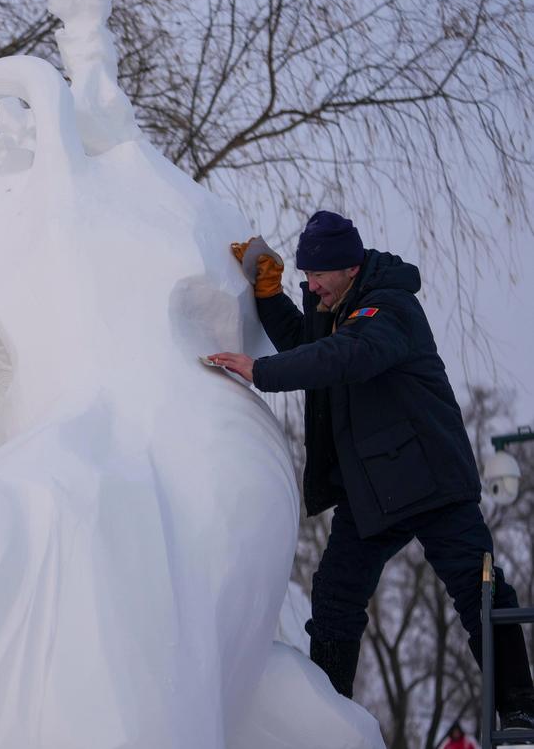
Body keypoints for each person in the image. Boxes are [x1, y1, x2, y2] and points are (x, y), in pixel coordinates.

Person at [207, 210, 534, 729]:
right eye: (305, 275)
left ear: (350, 268)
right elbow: (307, 345)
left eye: (318, 274)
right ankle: (328, 718)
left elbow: (345, 356)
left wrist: (260, 371)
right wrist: (268, 293)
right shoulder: (332, 308)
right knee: (334, 597)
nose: (312, 285)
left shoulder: (390, 307)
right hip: (373, 492)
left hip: (431, 481)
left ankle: (519, 707)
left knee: (479, 588)